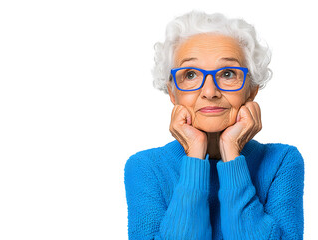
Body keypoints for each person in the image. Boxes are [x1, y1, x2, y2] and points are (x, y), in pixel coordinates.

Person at [124, 11, 304, 240]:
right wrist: (194, 159)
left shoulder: (282, 162)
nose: (210, 92)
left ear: (252, 89)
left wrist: (231, 153)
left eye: (228, 73)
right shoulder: (145, 167)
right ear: (172, 91)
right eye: (190, 75)